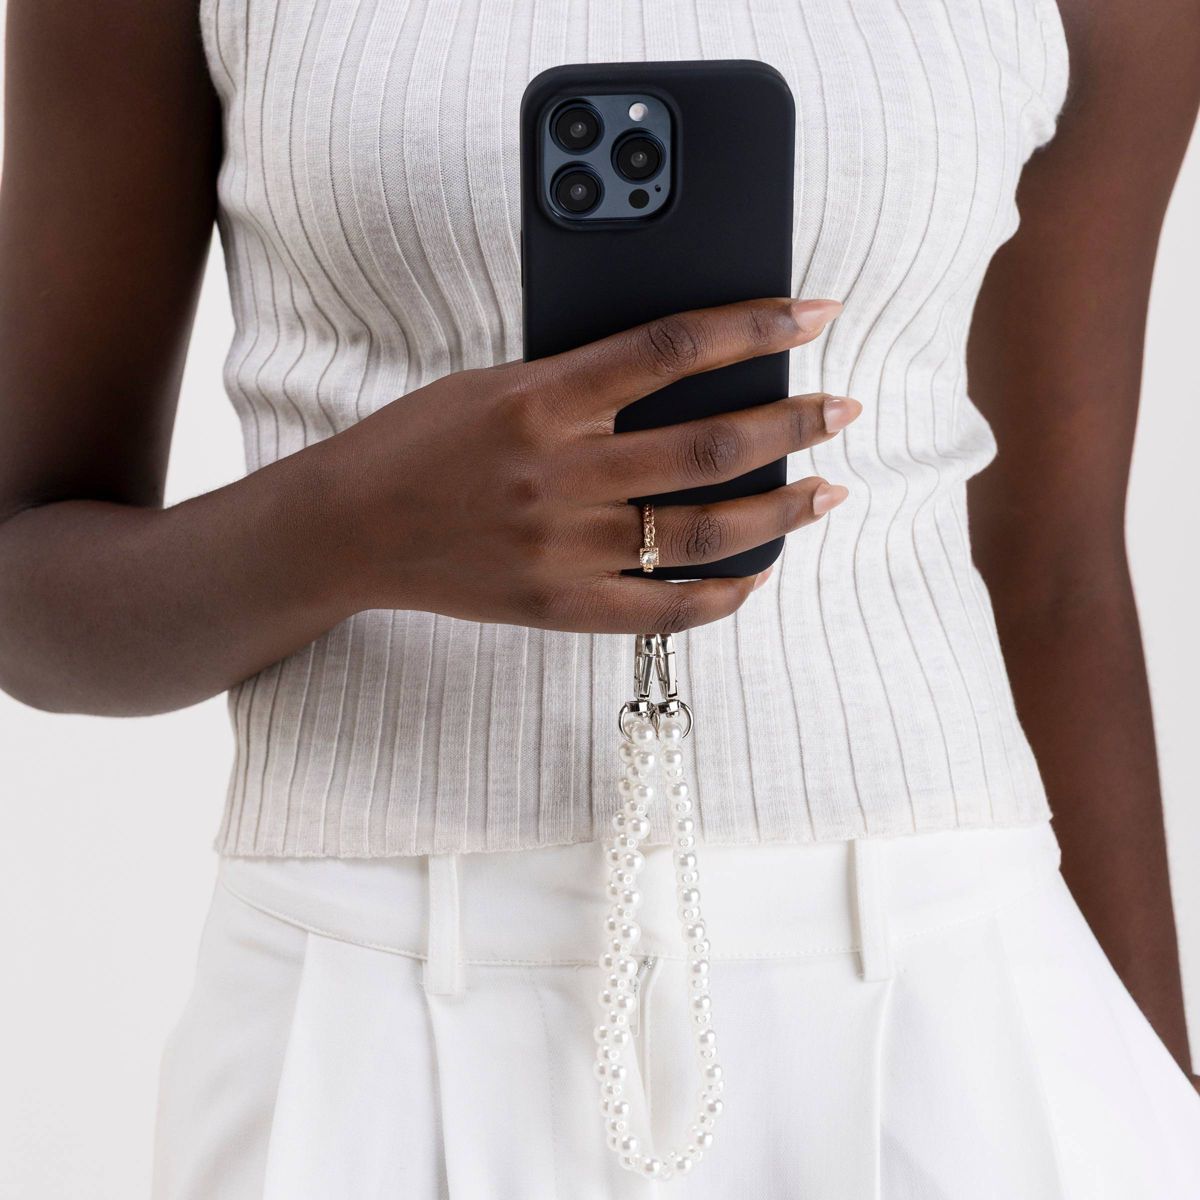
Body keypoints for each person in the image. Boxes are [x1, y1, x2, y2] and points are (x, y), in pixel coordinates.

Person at [1, 0, 1198, 1195]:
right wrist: (351, 526)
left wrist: (1164, 1097)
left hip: (958, 992)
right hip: (365, 1007)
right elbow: (25, 583)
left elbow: (1057, 577)